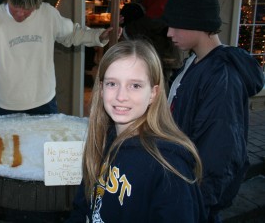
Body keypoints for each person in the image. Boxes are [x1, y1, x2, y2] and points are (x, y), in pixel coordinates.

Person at [67, 39, 206, 222]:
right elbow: (83, 206)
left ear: (153, 93)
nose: (121, 96)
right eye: (112, 83)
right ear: (101, 89)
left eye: (135, 85)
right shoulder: (102, 141)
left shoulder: (168, 166)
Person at [163, 0, 265, 223]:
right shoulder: (194, 62)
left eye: (176, 24)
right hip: (182, 185)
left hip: (195, 201)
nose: (169, 33)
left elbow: (219, 154)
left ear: (199, 23)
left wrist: (197, 203)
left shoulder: (221, 78)